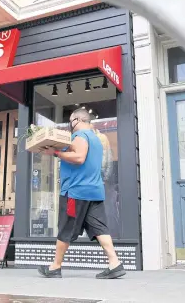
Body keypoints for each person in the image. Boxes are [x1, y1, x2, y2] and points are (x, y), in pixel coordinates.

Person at [37, 108, 125, 279]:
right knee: (100, 228)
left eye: (71, 121)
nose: (70, 124)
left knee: (66, 227)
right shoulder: (97, 139)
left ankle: (55, 267)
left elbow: (79, 157)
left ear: (77, 120)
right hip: (94, 191)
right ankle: (115, 263)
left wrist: (55, 153)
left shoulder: (80, 136)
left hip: (76, 191)